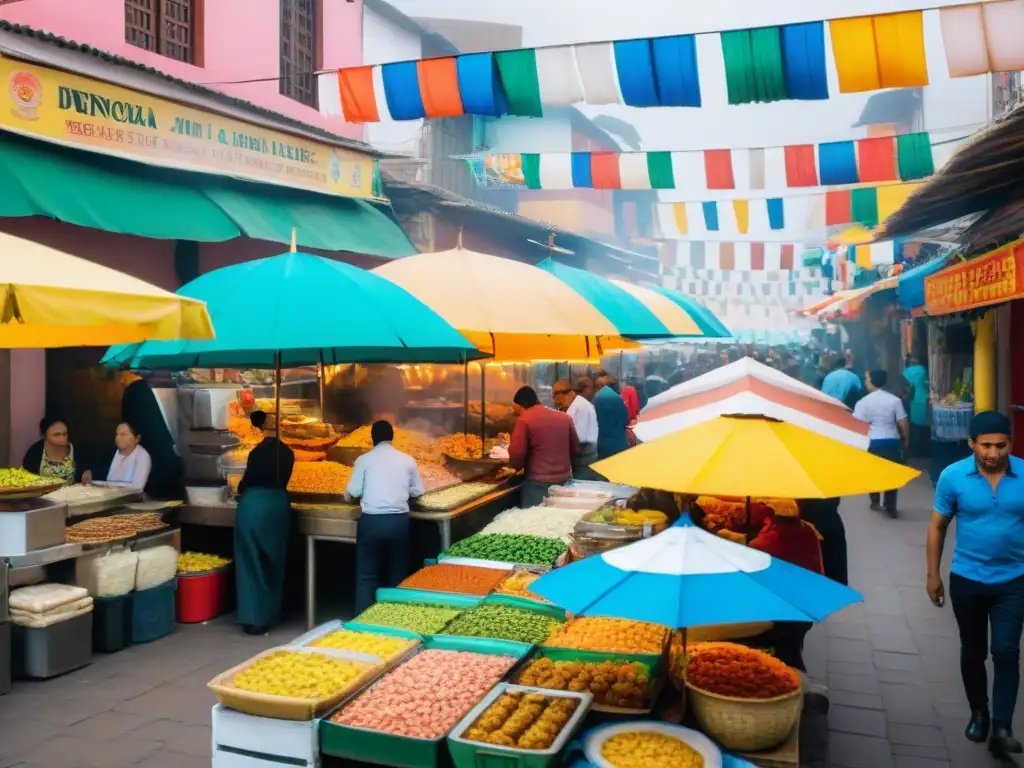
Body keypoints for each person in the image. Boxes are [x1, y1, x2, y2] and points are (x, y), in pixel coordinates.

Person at [927, 411, 1024, 756]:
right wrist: (933, 574)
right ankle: (979, 712)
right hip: (967, 578)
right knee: (973, 651)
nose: (994, 453)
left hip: (1014, 580)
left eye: (1001, 445)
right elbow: (937, 526)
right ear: (972, 444)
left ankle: (1002, 726)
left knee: (1006, 650)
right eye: (986, 446)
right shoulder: (953, 477)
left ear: (1010, 443)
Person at [346, 420, 424, 615]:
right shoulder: (407, 460)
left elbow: (353, 491)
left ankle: (363, 620)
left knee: (367, 575)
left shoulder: (364, 460)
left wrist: (348, 497)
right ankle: (393, 619)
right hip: (399, 522)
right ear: (392, 437)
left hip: (372, 522)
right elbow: (417, 490)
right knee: (397, 573)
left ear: (372, 438)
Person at [234, 410, 295, 634]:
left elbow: (246, 481)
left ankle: (253, 619)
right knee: (274, 561)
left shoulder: (256, 453)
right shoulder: (287, 453)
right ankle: (270, 614)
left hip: (253, 506)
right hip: (278, 505)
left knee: (250, 563)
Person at [749, 499, 825, 672]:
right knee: (793, 647)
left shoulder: (771, 539)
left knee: (788, 655)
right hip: (808, 606)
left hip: (784, 612)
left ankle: (800, 689)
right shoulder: (808, 531)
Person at [508, 386, 579, 508]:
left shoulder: (524, 420)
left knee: (536, 522)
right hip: (565, 481)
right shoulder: (565, 417)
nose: (518, 414)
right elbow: (576, 448)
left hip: (538, 485)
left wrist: (516, 468)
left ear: (522, 405)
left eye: (517, 410)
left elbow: (517, 454)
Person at [853, 369, 909, 517]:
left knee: (873, 472)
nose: (865, 382)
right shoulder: (894, 400)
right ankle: (890, 506)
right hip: (891, 440)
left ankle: (875, 501)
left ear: (871, 382)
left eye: (866, 379)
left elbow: (857, 423)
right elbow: (902, 422)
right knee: (891, 473)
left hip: (872, 441)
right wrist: (905, 439)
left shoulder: (863, 402)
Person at [121, 373, 183, 498]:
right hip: (172, 466)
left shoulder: (135, 392)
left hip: (152, 468)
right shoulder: (144, 390)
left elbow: (130, 427)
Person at [22, 416, 91, 485]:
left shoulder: (78, 452)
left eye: (64, 434)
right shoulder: (34, 453)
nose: (62, 438)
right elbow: (27, 478)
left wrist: (86, 473)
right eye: (56, 435)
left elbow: (86, 470)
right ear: (44, 436)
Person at [552, 378, 598, 480]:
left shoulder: (580, 407)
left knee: (583, 487)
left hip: (585, 456)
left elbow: (579, 437)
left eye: (555, 396)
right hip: (583, 455)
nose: (555, 401)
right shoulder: (575, 404)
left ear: (568, 393)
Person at [97, 422, 152, 492]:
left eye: (123, 434)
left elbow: (137, 487)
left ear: (137, 438)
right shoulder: (109, 454)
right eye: (117, 434)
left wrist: (111, 486)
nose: (118, 438)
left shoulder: (143, 456)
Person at [594, 376, 630, 459]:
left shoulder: (597, 399)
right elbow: (626, 419)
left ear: (599, 386)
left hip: (602, 445)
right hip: (621, 444)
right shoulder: (618, 399)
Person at [903, 354, 930, 458]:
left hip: (913, 401)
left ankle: (914, 454)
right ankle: (925, 452)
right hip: (924, 399)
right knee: (925, 427)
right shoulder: (923, 370)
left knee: (913, 429)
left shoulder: (907, 372)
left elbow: (907, 387)